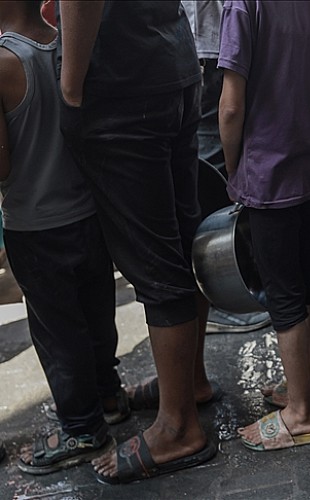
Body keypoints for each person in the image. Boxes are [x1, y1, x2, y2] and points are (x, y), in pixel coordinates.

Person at [58, 0, 217, 483]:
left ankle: (177, 427)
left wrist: (71, 86)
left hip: (121, 82)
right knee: (181, 242)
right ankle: (189, 384)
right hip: (171, 62)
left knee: (154, 259)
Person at [219, 0, 310, 450]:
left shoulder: (243, 5)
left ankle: (301, 413)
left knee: (283, 291)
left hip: (268, 171)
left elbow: (231, 107)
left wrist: (233, 168)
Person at [0, 0, 123, 475]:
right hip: (88, 212)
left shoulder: (5, 62)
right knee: (96, 312)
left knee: (58, 331)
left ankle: (81, 426)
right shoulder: (66, 43)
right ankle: (108, 395)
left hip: (35, 223)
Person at [181, 0, 272, 335]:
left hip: (210, 46)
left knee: (214, 172)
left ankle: (225, 291)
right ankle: (223, 292)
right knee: (213, 175)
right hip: (208, 47)